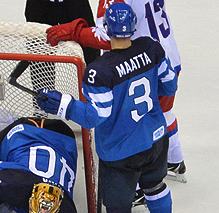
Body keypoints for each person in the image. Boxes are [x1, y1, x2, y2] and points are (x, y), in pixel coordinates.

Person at [36, 3, 178, 213]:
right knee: (155, 184)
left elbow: (95, 116)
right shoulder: (151, 48)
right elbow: (169, 84)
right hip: (155, 138)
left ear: (107, 29)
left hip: (121, 152)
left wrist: (63, 105)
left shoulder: (99, 71)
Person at [45, 0, 187, 183]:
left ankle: (136, 188)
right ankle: (174, 160)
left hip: (140, 64)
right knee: (162, 112)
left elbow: (108, 35)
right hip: (166, 56)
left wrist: (76, 33)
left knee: (127, 123)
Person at [25, 0, 100, 65]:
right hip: (39, 5)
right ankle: (41, 80)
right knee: (40, 52)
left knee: (89, 44)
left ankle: (94, 79)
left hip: (75, 4)